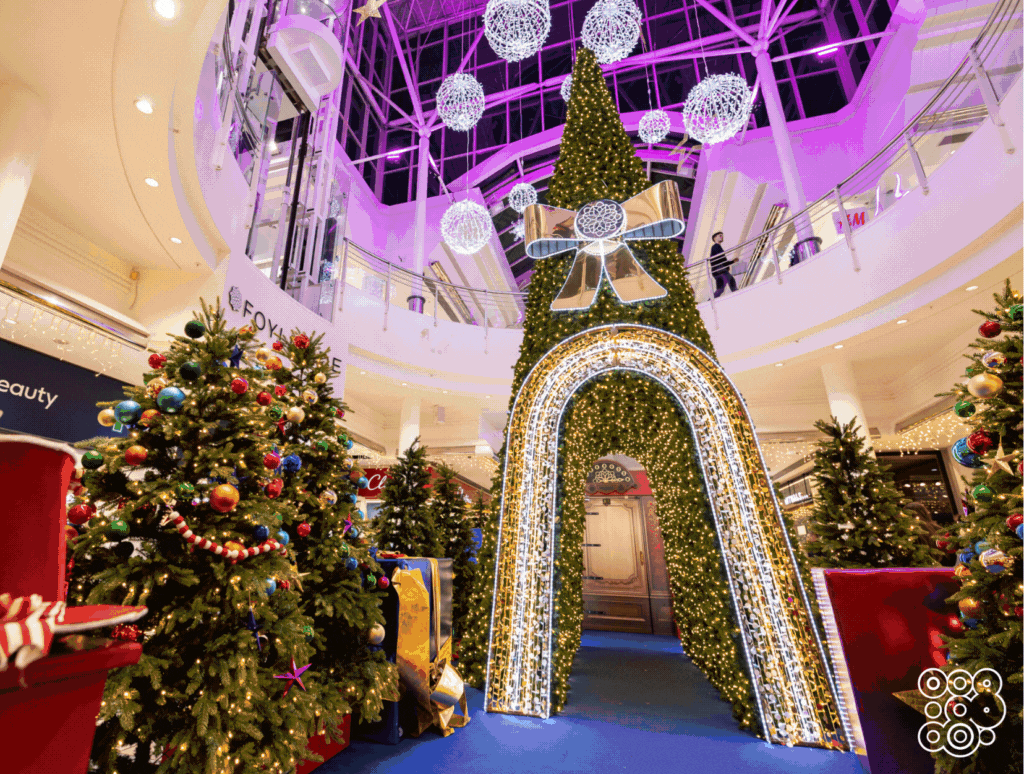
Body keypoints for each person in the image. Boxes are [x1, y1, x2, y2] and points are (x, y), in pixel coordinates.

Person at [709, 231, 737, 298]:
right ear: (715, 238)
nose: (722, 237)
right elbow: (720, 260)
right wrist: (731, 262)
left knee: (720, 289)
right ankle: (737, 293)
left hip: (717, 271)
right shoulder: (716, 246)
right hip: (720, 270)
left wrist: (730, 263)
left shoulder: (716, 247)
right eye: (720, 235)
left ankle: (710, 301)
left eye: (722, 236)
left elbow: (720, 260)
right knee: (731, 280)